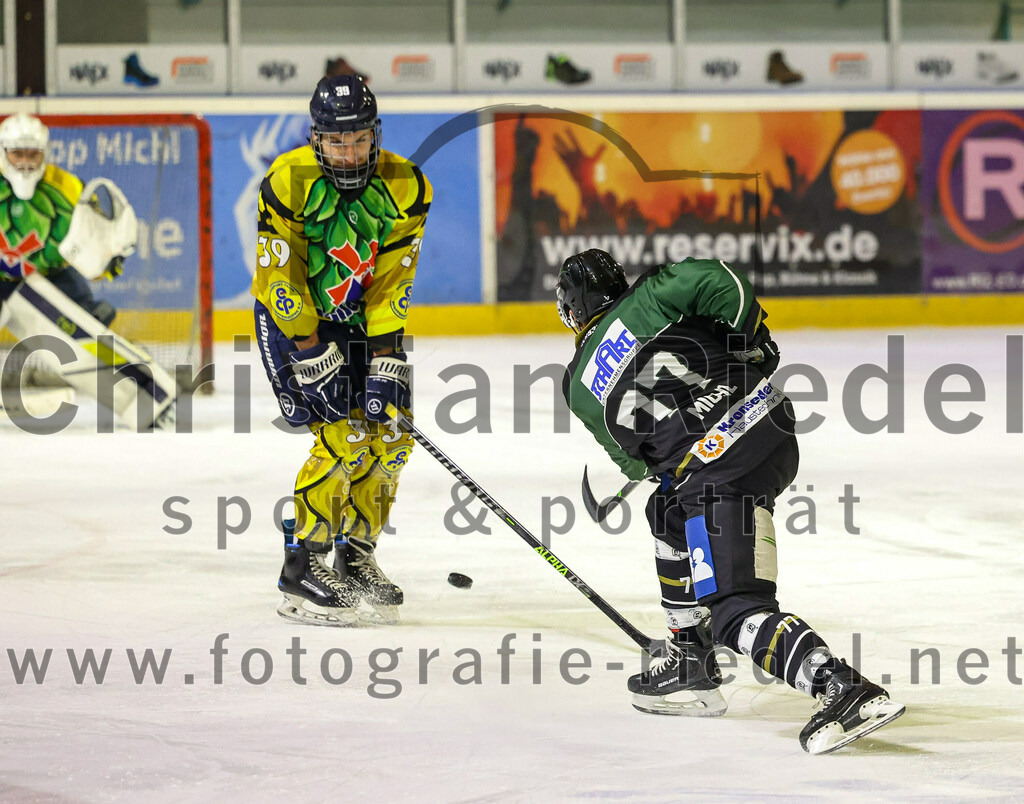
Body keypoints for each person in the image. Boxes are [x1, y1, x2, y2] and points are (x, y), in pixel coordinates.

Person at [556, 248, 904, 754]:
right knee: (667, 511)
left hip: (721, 469)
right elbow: (727, 285)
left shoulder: (577, 386)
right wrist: (748, 342)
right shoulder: (655, 291)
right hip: (767, 424)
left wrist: (677, 447)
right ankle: (689, 657)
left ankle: (843, 688)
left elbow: (635, 464)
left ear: (572, 312)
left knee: (735, 611)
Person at [252, 74, 431, 627]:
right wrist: (311, 353)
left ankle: (355, 554)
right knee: (344, 433)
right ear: (316, 139)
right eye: (336, 141)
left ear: (376, 135)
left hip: (357, 322)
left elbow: (392, 282)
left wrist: (385, 359)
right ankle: (301, 565)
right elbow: (280, 278)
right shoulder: (287, 182)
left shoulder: (407, 186)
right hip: (292, 322)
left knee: (393, 434)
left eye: (358, 140)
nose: (349, 154)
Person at [0, 113, 120, 325]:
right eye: (17, 154)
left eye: (33, 154)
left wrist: (106, 258)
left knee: (89, 318)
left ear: (44, 152)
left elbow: (94, 238)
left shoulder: (70, 188)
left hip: (50, 277)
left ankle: (85, 322)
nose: (25, 163)